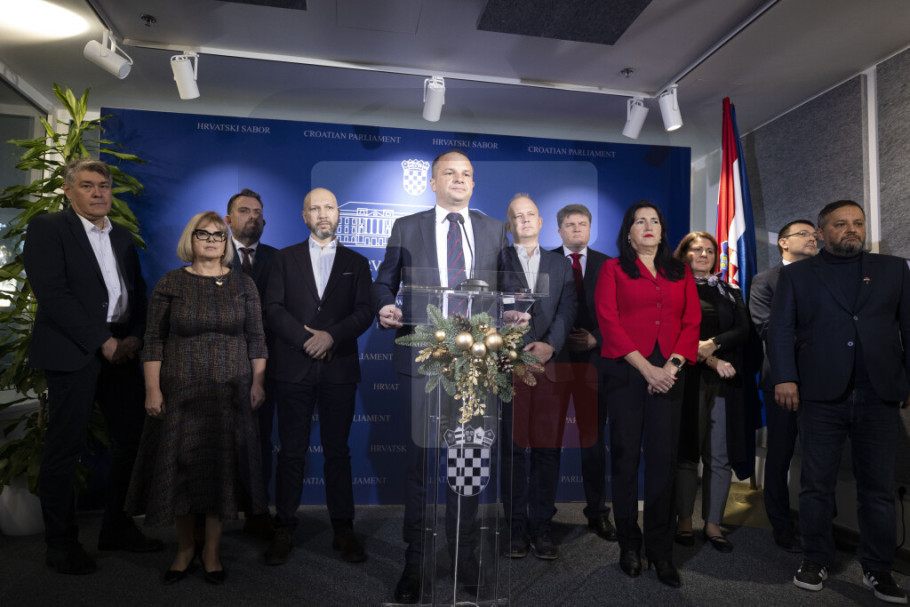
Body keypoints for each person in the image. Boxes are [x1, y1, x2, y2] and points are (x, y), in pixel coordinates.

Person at [372, 150, 509, 604]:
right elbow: (384, 281)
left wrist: (515, 313)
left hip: (474, 362)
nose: (459, 180)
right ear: (433, 182)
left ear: (474, 183)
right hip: (422, 359)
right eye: (449, 173)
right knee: (420, 464)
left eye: (466, 174)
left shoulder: (494, 229)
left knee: (466, 461)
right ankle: (415, 561)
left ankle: (464, 555)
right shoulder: (406, 226)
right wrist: (384, 305)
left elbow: (510, 289)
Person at [23, 158, 163, 575]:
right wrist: (102, 341)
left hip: (121, 351)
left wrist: (133, 337)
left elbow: (136, 293)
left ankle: (116, 527)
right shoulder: (48, 228)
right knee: (65, 448)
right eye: (87, 185)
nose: (98, 192)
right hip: (75, 350)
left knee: (132, 437)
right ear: (68, 191)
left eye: (104, 185)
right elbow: (53, 294)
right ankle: (61, 543)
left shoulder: (121, 235)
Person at [768, 200, 910, 604]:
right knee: (816, 485)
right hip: (819, 395)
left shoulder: (894, 270)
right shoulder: (796, 275)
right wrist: (785, 377)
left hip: (879, 394)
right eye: (841, 224)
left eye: (858, 223)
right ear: (821, 232)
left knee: (878, 490)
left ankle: (878, 567)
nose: (852, 229)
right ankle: (815, 558)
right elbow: (780, 329)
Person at [126, 211, 268, 585]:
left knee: (220, 471)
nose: (211, 240)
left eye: (218, 235)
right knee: (181, 471)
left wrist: (258, 382)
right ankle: (185, 549)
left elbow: (257, 339)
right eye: (203, 234)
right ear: (191, 239)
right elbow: (153, 340)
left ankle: (212, 552)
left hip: (229, 394)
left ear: (226, 242)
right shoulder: (171, 282)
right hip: (180, 392)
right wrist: (152, 389)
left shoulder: (244, 284)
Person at [263, 187, 373, 565]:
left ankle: (344, 529)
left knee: (337, 452)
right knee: (291, 452)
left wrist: (331, 337)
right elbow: (273, 309)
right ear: (304, 216)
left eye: (329, 207)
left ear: (338, 213)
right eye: (315, 208)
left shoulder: (357, 262)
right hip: (293, 368)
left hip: (339, 369)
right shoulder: (284, 259)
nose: (322, 214)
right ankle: (284, 527)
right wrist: (306, 340)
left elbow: (364, 311)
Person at [594, 200, 700, 588]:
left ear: (662, 230)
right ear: (629, 233)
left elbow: (692, 322)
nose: (648, 226)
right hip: (627, 371)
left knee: (663, 462)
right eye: (640, 221)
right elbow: (608, 320)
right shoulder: (612, 269)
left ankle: (660, 550)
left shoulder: (680, 271)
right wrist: (647, 369)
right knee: (625, 460)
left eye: (654, 220)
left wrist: (670, 368)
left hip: (670, 374)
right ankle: (629, 545)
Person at [498, 194, 577, 560]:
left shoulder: (560, 264)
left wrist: (550, 346)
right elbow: (487, 307)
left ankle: (542, 527)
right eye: (518, 216)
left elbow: (567, 308)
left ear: (541, 222)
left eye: (530, 214)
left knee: (547, 450)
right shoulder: (496, 261)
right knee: (513, 452)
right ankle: (515, 528)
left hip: (550, 366)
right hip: (509, 366)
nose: (525, 220)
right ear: (509, 224)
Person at [672, 232, 750, 553]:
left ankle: (714, 523)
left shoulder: (729, 290)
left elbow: (744, 330)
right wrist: (711, 358)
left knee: (719, 455)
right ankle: (684, 520)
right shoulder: (675, 288)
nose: (704, 254)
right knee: (688, 453)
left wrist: (714, 344)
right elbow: (673, 332)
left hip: (724, 383)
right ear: (684, 254)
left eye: (709, 250)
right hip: (688, 378)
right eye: (696, 249)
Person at [748, 219, 817, 553]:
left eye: (814, 234)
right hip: (780, 380)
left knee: (820, 456)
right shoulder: (766, 280)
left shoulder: (826, 276)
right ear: (783, 243)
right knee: (779, 455)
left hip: (823, 382)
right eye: (804, 234)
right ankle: (781, 525)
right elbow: (766, 328)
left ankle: (818, 525)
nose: (813, 238)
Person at [551, 203, 616, 542]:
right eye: (570, 224)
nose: (576, 229)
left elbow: (621, 312)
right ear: (559, 230)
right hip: (554, 362)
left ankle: (597, 514)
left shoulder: (609, 265)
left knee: (592, 442)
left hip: (594, 362)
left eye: (582, 224)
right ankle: (543, 515)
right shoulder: (544, 261)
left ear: (590, 229)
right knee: (548, 442)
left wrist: (596, 338)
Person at [225, 188, 278, 537]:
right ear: (228, 220)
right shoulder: (211, 254)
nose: (252, 217)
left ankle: (257, 511)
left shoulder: (279, 259)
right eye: (244, 211)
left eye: (257, 212)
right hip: (221, 363)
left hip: (266, 366)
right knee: (219, 441)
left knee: (259, 441)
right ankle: (218, 513)